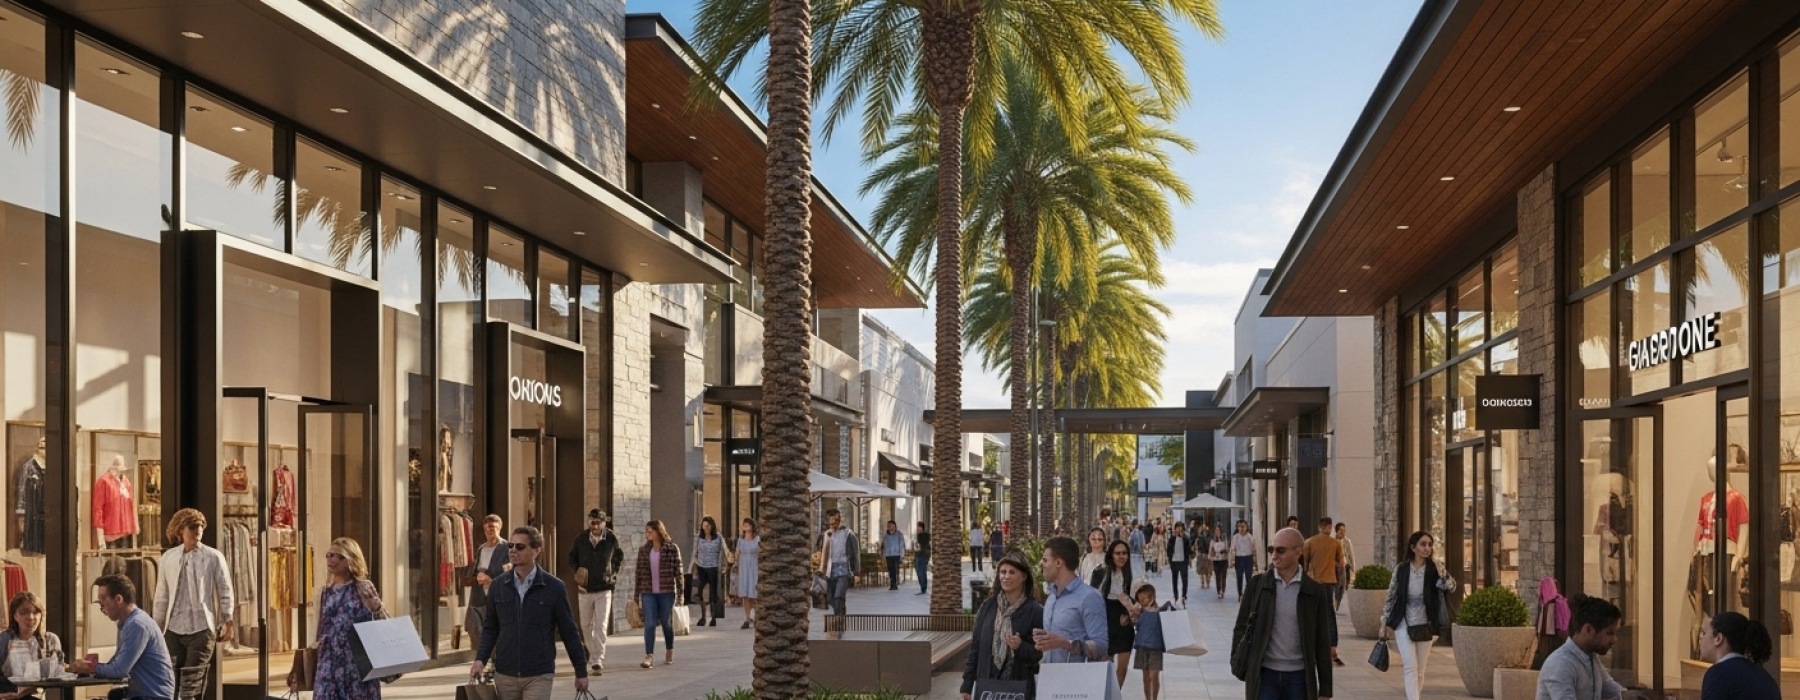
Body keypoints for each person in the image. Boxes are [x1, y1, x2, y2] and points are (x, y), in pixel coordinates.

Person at [471, 526, 588, 700]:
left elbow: (569, 631)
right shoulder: (498, 585)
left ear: (536, 551)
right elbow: (490, 628)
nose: (513, 550)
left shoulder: (554, 587)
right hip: (505, 674)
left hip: (539, 674)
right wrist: (480, 659)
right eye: (511, 545)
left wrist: (581, 671)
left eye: (520, 547)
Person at [1230, 527, 1333, 700]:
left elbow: (1322, 640)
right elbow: (1240, 626)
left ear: (1298, 552)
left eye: (1281, 550)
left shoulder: (1314, 591)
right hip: (1265, 675)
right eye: (1272, 549)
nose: (1274, 555)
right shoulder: (1258, 585)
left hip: (1299, 678)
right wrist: (1237, 659)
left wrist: (1325, 689)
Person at [288, 539, 385, 700]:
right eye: (329, 555)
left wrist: (377, 608)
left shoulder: (363, 587)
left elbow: (381, 622)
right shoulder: (324, 592)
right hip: (328, 660)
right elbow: (319, 630)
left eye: (337, 556)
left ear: (350, 560)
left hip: (357, 661)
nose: (331, 560)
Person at [152, 508, 235, 688]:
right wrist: (156, 630)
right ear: (180, 530)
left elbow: (225, 590)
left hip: (202, 629)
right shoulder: (168, 558)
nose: (198, 530)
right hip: (173, 630)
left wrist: (228, 620)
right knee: (170, 682)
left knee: (191, 685)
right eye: (192, 526)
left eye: (200, 526)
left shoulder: (213, 557)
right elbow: (162, 597)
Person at [71, 574, 174, 700]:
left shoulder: (136, 624)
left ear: (119, 599)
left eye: (103, 600)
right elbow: (117, 665)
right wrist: (92, 667)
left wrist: (90, 668)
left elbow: (119, 671)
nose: (101, 607)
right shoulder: (127, 623)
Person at [1380, 531, 1455, 700]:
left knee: (1420, 670)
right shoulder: (1401, 569)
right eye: (1423, 544)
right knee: (1410, 667)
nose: (1427, 548)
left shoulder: (1434, 568)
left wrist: (1443, 574)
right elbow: (1391, 596)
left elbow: (1451, 587)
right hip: (1403, 622)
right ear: (1413, 547)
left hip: (1426, 623)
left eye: (1429, 545)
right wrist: (1383, 623)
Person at [960, 552, 1044, 700]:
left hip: (1018, 687)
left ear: (1024, 576)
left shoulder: (1035, 611)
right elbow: (975, 648)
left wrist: (1020, 647)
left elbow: (1039, 654)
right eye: (1003, 572)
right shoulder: (988, 607)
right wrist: (967, 685)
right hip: (987, 686)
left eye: (1012, 572)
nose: (1006, 576)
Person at [1032, 536, 1108, 664]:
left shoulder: (1089, 597)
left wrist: (1066, 644)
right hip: (1050, 673)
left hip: (1077, 675)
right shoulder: (1051, 599)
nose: (1041, 564)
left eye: (1045, 560)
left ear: (1058, 563)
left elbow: (1101, 646)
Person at [566, 509, 623, 674]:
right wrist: (578, 570)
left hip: (604, 588)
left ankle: (598, 658)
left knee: (601, 624)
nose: (595, 525)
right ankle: (592, 653)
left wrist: (612, 573)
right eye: (592, 522)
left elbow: (618, 556)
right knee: (585, 625)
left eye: (598, 522)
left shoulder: (611, 538)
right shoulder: (581, 538)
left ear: (604, 523)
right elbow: (571, 557)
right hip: (585, 588)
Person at [1535, 594, 1622, 700]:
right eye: (1610, 633)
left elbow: (1614, 691)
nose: (1615, 639)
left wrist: (1633, 695)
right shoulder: (1560, 664)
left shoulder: (1591, 658)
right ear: (1588, 630)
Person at [632, 520, 683, 669]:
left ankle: (669, 650)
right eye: (646, 531)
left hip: (666, 592)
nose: (647, 534)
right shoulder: (643, 550)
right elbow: (638, 574)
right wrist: (636, 597)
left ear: (658, 531)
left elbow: (679, 573)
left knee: (666, 623)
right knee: (649, 624)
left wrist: (681, 594)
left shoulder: (672, 549)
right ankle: (649, 656)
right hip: (648, 592)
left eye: (650, 531)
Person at [1698, 610, 1779, 700]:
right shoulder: (1765, 677)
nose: (1700, 638)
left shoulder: (1719, 674)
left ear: (1718, 638)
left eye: (1704, 633)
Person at [1091, 541, 1139, 687]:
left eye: (1124, 553)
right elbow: (1093, 599)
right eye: (1118, 553)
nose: (1121, 556)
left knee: (1123, 668)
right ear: (1111, 555)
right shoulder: (1100, 572)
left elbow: (1135, 598)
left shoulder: (1130, 573)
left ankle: (1116, 694)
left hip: (1124, 623)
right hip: (1106, 622)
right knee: (1105, 666)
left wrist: (1131, 611)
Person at [1299, 517, 1344, 665]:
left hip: (1313, 582)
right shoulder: (1336, 544)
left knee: (1312, 614)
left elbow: (1305, 564)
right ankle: (1332, 647)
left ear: (1319, 527)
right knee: (1329, 615)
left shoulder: (1309, 542)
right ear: (1329, 527)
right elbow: (1340, 564)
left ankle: (1312, 646)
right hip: (1329, 582)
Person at [0, 591, 60, 696]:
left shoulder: (50, 640)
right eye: (24, 612)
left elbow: (56, 674)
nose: (31, 617)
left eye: (36, 612)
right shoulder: (3, 640)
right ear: (15, 616)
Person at [468, 515, 508, 658]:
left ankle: (498, 658)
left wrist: (492, 580)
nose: (491, 532)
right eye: (487, 530)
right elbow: (476, 568)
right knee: (482, 627)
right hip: (480, 594)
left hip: (499, 594)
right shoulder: (482, 549)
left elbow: (510, 571)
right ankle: (487, 657)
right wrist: (477, 576)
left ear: (499, 528)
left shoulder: (506, 548)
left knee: (499, 626)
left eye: (493, 529)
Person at [816, 509, 860, 615]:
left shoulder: (848, 534)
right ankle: (840, 614)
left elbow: (855, 553)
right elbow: (818, 551)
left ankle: (839, 618)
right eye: (831, 521)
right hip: (829, 570)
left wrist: (856, 573)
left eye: (836, 520)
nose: (834, 523)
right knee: (830, 597)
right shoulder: (825, 535)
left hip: (844, 570)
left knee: (839, 596)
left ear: (839, 519)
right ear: (828, 521)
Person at [1130, 582, 1166, 700]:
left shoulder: (1160, 612)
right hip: (1142, 648)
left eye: (1144, 599)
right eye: (1139, 599)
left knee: (1153, 676)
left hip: (1156, 649)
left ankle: (1154, 698)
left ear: (1151, 598)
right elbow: (1133, 624)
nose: (1141, 601)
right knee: (1146, 678)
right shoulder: (1139, 613)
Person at [690, 516, 727, 627]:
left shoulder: (718, 537)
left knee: (713, 593)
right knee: (701, 592)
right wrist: (691, 567)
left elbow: (722, 552)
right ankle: (703, 617)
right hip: (701, 567)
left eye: (708, 525)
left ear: (712, 526)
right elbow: (694, 553)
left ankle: (713, 617)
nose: (706, 527)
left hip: (714, 567)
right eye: (704, 525)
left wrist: (722, 566)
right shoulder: (698, 537)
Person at [733, 519, 760, 628]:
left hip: (753, 567)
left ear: (752, 527)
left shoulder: (757, 539)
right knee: (745, 594)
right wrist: (735, 562)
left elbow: (760, 552)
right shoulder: (741, 540)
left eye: (748, 524)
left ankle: (756, 616)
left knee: (754, 593)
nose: (745, 526)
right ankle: (747, 618)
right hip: (744, 567)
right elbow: (737, 553)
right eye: (744, 525)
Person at [1166, 523, 1194, 606]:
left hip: (1183, 562)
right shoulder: (1172, 538)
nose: (1179, 530)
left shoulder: (1186, 539)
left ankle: (1184, 596)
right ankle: (1176, 596)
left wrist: (1183, 538)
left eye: (1180, 528)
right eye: (1177, 528)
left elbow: (1189, 550)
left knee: (1184, 580)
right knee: (1174, 580)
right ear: (1175, 529)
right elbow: (1168, 549)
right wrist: (1170, 559)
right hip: (1174, 562)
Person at [1232, 520, 1258, 598]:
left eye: (1243, 526)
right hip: (1239, 558)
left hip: (1248, 558)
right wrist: (1232, 560)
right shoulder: (1236, 537)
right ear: (1238, 528)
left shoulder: (1250, 537)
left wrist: (1255, 561)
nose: (1242, 528)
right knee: (1239, 576)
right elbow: (1233, 549)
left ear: (1246, 527)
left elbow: (1254, 549)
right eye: (1240, 527)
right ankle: (1240, 594)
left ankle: (1248, 594)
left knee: (1248, 576)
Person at [1333, 523, 1356, 611]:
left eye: (1344, 531)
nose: (1342, 533)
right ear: (1336, 530)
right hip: (1333, 568)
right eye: (1340, 530)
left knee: (1342, 587)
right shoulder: (1332, 541)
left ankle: (1338, 604)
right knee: (1335, 586)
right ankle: (1335, 604)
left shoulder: (1347, 541)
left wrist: (1353, 570)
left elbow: (1351, 556)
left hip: (1344, 567)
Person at [881, 520, 906, 590]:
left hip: (896, 555)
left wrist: (902, 555)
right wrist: (883, 554)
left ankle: (895, 584)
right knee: (890, 570)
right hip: (888, 555)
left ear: (895, 527)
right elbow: (883, 546)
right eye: (889, 526)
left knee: (895, 570)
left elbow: (902, 545)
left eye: (892, 526)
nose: (891, 528)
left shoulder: (899, 535)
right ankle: (892, 584)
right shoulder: (885, 536)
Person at [1211, 525, 1232, 599]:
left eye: (1218, 530)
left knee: (1223, 576)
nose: (1217, 531)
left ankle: (1223, 590)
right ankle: (1218, 591)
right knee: (1217, 576)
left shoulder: (1224, 539)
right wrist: (1212, 553)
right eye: (1216, 530)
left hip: (1223, 559)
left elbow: (1227, 549)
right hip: (1216, 560)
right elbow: (1211, 550)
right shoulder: (1213, 540)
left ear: (1220, 531)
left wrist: (1224, 552)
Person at [914, 522, 930, 595]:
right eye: (917, 527)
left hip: (923, 556)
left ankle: (924, 589)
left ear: (922, 527)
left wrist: (927, 557)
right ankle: (922, 588)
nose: (917, 528)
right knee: (919, 573)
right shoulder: (917, 535)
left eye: (919, 527)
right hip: (917, 556)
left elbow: (924, 546)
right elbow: (917, 546)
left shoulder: (925, 535)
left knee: (922, 572)